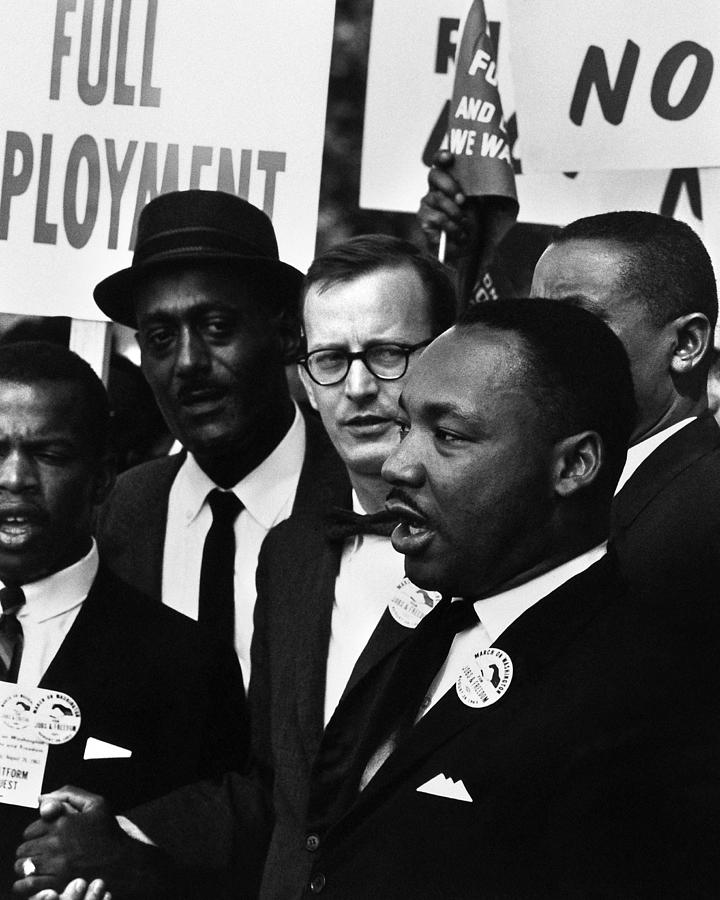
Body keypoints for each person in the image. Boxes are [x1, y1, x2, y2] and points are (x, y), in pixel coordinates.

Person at [19, 300, 720, 898]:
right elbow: (311, 833)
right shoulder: (424, 627)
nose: (397, 463)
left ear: (573, 464)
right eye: (408, 425)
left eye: (447, 436)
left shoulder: (654, 697)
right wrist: (133, 850)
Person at [12, 235, 456, 899]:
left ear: (279, 341)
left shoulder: (476, 531)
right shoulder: (135, 511)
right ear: (309, 369)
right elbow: (276, 780)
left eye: (389, 355)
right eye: (332, 359)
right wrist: (121, 837)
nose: (359, 386)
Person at [0, 342, 248, 899]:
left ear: (104, 478)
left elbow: (221, 868)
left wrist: (134, 865)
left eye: (50, 454)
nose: (15, 478)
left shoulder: (184, 662)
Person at [420, 173, 720, 599]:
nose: (541, 347)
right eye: (537, 319)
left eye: (578, 322)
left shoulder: (706, 514)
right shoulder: (538, 482)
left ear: (687, 344)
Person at [93, 190, 345, 683]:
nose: (188, 363)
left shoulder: (360, 498)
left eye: (216, 326)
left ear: (288, 336)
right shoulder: (120, 513)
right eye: (161, 337)